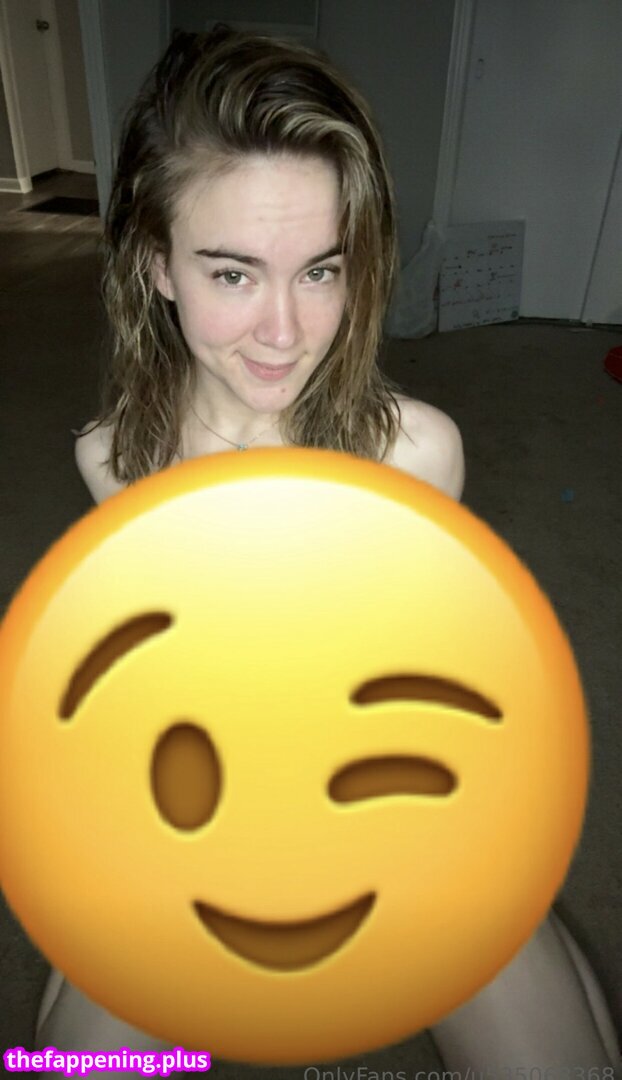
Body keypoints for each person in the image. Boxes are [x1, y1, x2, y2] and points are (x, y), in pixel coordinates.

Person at [37, 25, 620, 1075]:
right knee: (74, 1058)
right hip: (199, 801)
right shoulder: (112, 463)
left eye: (319, 271)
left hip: (383, 793)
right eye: (232, 273)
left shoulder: (418, 455)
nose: (284, 331)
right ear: (156, 265)